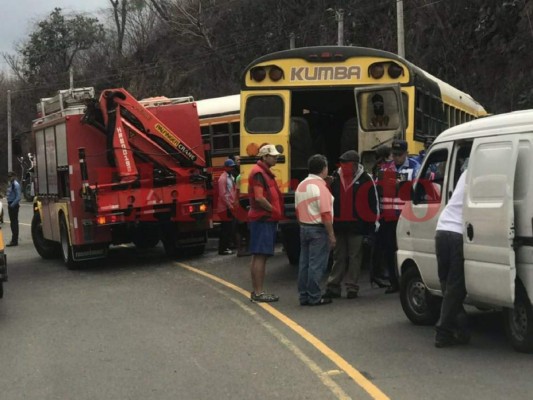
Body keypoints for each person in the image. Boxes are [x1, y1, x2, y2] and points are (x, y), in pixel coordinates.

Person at [324, 150, 378, 299]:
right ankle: (333, 286)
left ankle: (352, 287)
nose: (343, 166)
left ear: (355, 165)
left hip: (357, 227)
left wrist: (372, 226)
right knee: (338, 256)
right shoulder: (334, 177)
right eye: (342, 163)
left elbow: (373, 204)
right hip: (339, 226)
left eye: (346, 163)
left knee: (355, 257)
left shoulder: (366, 179)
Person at [377, 139, 420, 294]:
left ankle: (407, 281)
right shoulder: (385, 168)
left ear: (406, 153)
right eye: (394, 154)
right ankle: (393, 282)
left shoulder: (415, 167)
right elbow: (379, 186)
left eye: (400, 155)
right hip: (388, 217)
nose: (396, 158)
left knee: (409, 250)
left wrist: (399, 184)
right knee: (389, 251)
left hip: (406, 217)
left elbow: (417, 188)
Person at [434, 169, 470, 348]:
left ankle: (459, 324)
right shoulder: (480, 174)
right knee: (455, 287)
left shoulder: (465, 173)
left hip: (442, 228)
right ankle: (444, 331)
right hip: (457, 233)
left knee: (446, 282)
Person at [295, 154, 336, 306]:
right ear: (324, 169)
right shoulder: (321, 188)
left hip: (304, 227)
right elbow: (325, 213)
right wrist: (331, 235)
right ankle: (315, 296)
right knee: (316, 265)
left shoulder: (301, 185)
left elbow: (298, 211)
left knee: (304, 264)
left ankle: (304, 295)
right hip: (318, 230)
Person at [248, 144, 283, 302]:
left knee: (258, 255)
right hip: (263, 219)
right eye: (273, 156)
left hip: (262, 218)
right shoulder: (259, 173)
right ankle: (259, 293)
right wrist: (274, 211)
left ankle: (257, 292)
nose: (276, 158)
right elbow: (259, 197)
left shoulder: (262, 172)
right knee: (260, 256)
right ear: (264, 157)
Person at [217, 159, 237, 255]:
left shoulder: (231, 177)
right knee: (225, 228)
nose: (232, 168)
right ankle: (223, 248)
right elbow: (222, 194)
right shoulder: (223, 178)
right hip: (225, 208)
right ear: (225, 167)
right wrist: (229, 205)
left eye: (232, 166)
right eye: (230, 166)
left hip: (230, 206)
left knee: (229, 228)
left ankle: (227, 246)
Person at [6, 171, 22, 246]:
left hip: (13, 206)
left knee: (14, 223)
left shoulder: (15, 185)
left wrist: (12, 205)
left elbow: (18, 197)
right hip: (11, 204)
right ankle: (14, 239)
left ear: (14, 176)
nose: (9, 178)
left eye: (10, 176)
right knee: (12, 223)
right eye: (8, 177)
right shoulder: (11, 184)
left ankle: (14, 240)